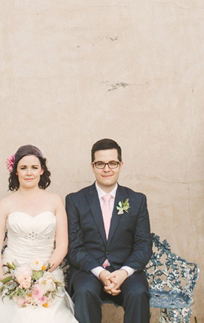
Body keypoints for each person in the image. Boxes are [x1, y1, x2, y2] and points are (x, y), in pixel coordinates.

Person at [0, 144, 78, 323]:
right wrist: (4, 276)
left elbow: (62, 245)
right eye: (23, 168)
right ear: (15, 171)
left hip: (47, 273)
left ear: (42, 170)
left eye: (34, 167)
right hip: (12, 272)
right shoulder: (5, 204)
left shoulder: (55, 201)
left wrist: (44, 274)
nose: (29, 172)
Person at [65, 138, 152, 323]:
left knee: (138, 292)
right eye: (100, 164)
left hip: (126, 270)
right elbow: (75, 248)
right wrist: (101, 273)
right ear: (92, 166)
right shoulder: (75, 200)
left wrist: (123, 272)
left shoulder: (137, 200)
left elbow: (143, 245)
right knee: (84, 291)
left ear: (120, 165)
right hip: (89, 271)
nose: (106, 169)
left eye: (112, 163)